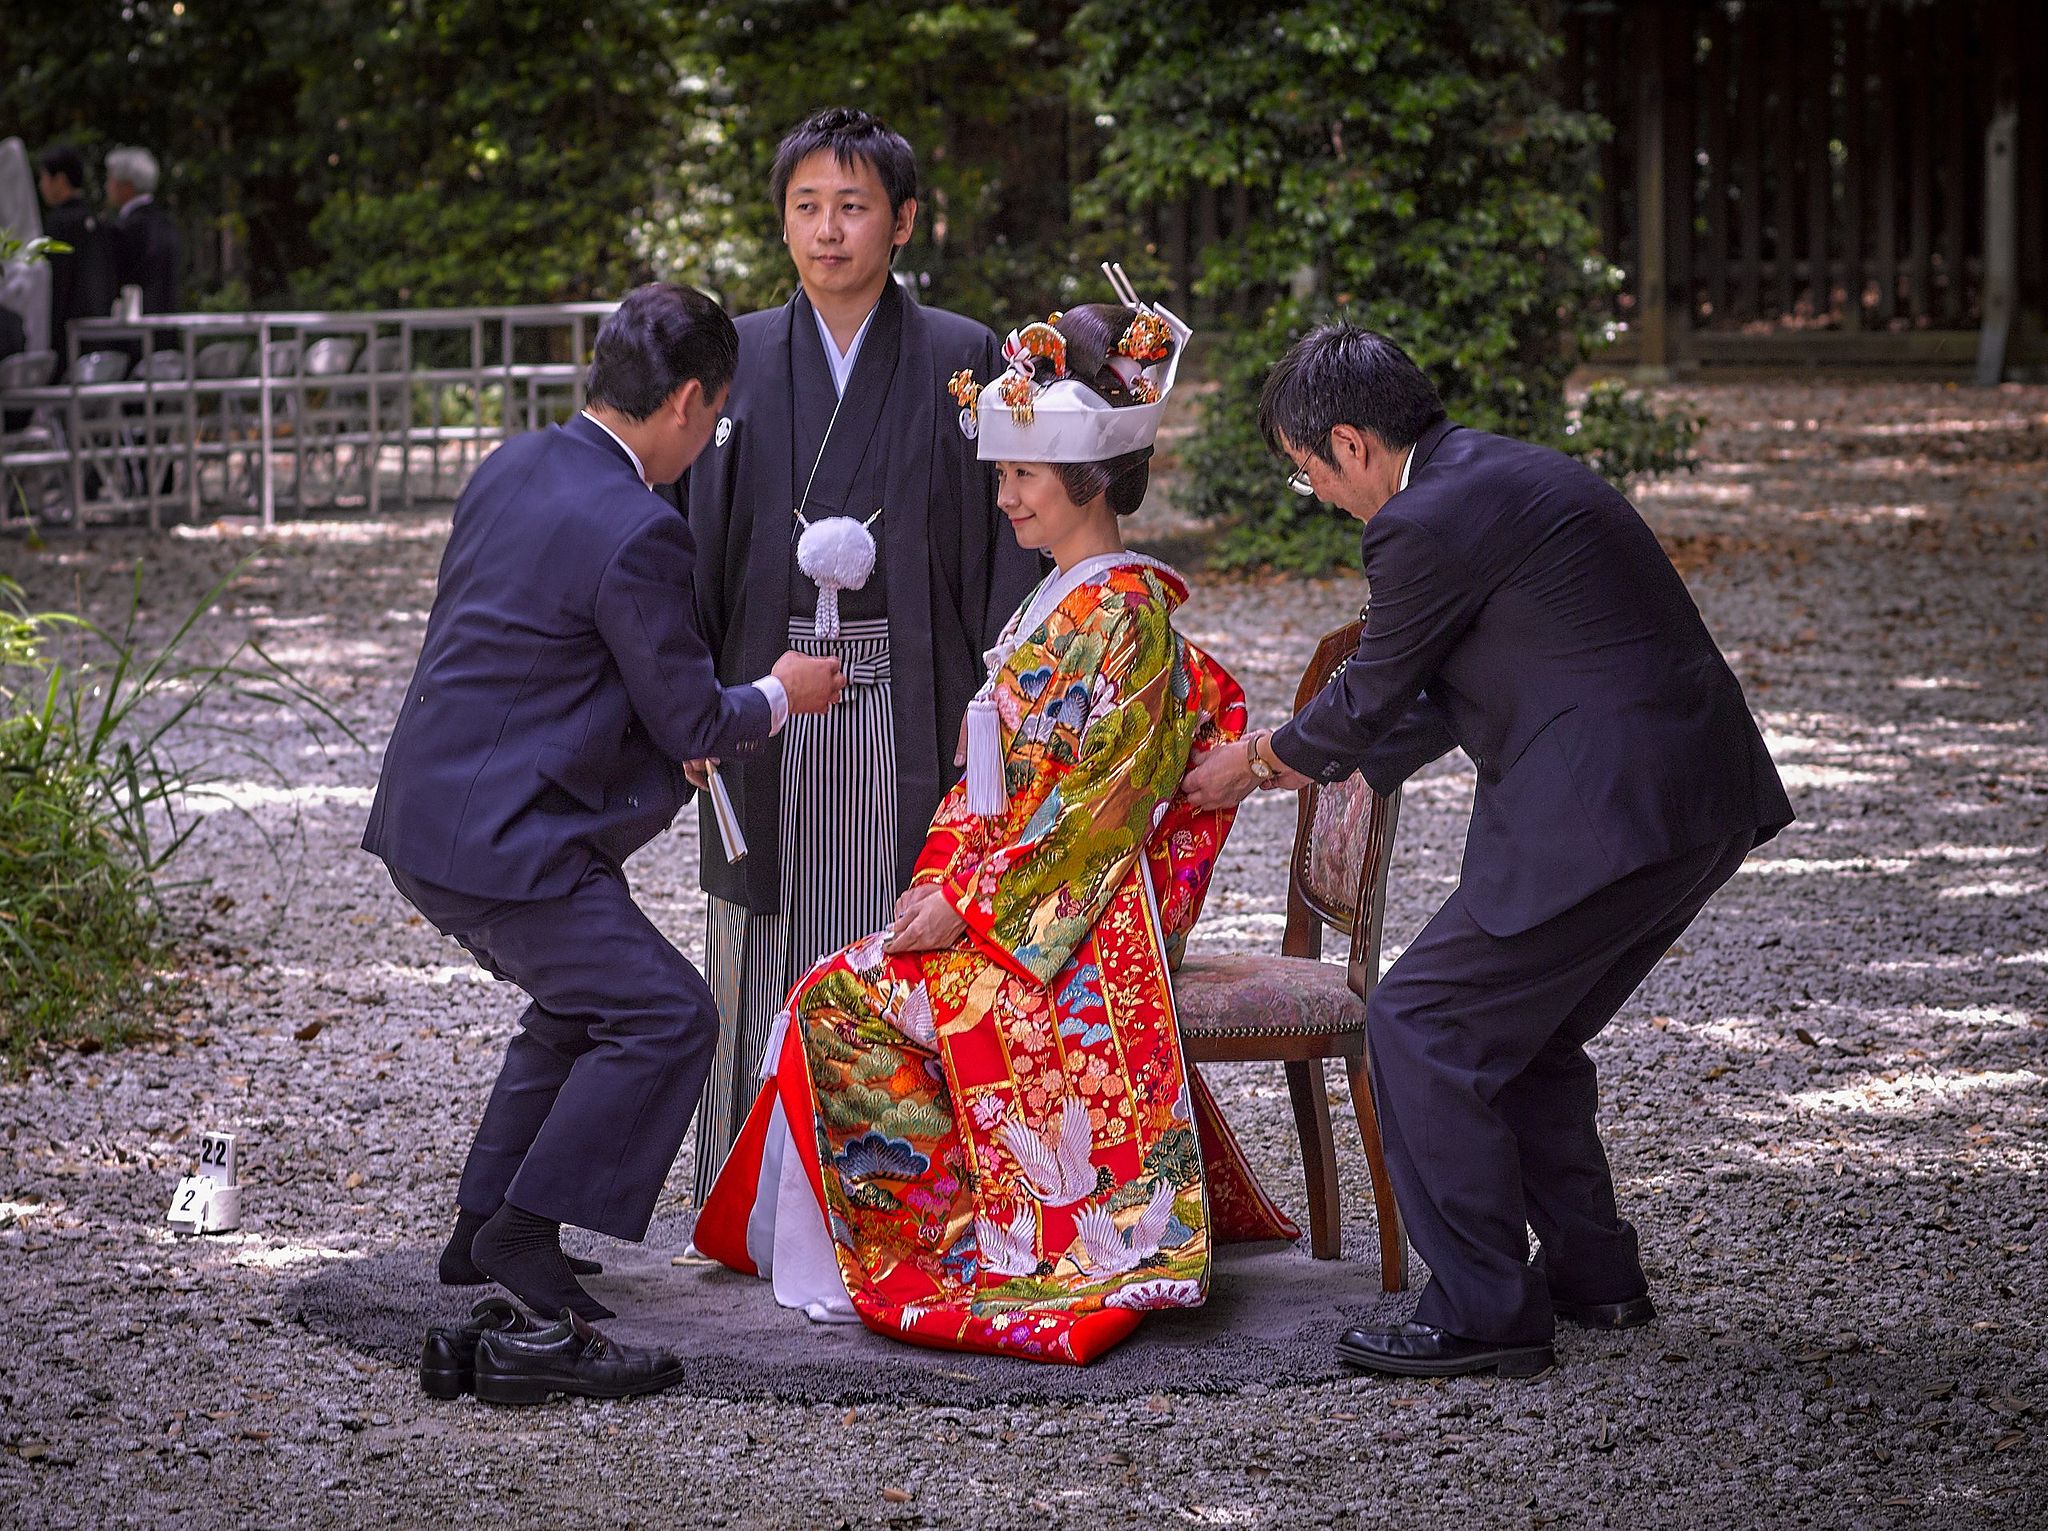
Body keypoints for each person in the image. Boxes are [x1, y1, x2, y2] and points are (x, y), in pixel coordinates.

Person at [693, 276, 1295, 1364]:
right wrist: (940, 889)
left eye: (1020, 476)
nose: (1005, 497)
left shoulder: (1120, 612)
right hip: (1026, 894)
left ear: (1083, 480)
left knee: (842, 1000)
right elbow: (1005, 792)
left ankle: (933, 1255)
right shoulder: (1059, 599)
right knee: (840, 980)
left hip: (1076, 916)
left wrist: (963, 904)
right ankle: (892, 1246)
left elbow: (1091, 815)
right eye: (1007, 474)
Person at [1184, 326, 1792, 1379]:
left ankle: (1480, 1311)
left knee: (1419, 1024)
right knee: (1531, 1034)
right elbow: (1433, 691)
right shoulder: (1500, 473)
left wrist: (1256, 760)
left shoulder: (1419, 518)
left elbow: (1375, 691)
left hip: (1606, 812)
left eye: (1306, 473)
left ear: (1348, 443)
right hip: (1697, 799)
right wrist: (1343, 767)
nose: (1318, 495)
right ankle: (1594, 1278)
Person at [361, 284, 848, 1332]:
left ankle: (479, 1217)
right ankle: (524, 1227)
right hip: (508, 839)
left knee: (586, 1002)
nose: (710, 437)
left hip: (428, 812)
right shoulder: (639, 527)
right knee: (667, 1014)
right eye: (714, 416)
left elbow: (539, 654)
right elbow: (690, 720)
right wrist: (782, 692)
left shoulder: (513, 464)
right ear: (685, 402)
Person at [671, 107, 1039, 1203]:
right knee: (761, 930)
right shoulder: (737, 356)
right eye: (806, 207)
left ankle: (900, 1200)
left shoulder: (962, 355)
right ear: (781, 222)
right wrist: (689, 699)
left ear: (904, 221)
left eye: (853, 206)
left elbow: (998, 539)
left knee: (900, 924)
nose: (828, 231)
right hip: (766, 696)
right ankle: (750, 1198)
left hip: (911, 687)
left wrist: (1003, 705)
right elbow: (694, 545)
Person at [33, 145, 113, 362]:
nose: (41, 186)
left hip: (67, 335)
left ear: (59, 180)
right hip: (100, 332)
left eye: (43, 178)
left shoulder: (58, 224)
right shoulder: (95, 221)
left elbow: (55, 281)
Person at [103, 146, 179, 315]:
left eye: (111, 178)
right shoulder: (165, 223)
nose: (107, 185)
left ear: (127, 186)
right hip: (165, 324)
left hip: (134, 329)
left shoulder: (125, 229)